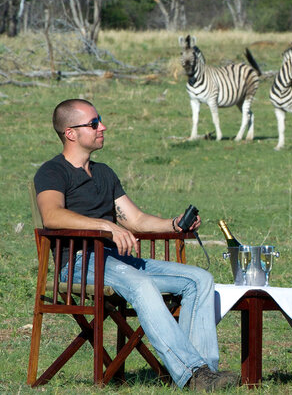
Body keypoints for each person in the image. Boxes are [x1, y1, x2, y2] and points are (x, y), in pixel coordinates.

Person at [34, 99, 238, 391]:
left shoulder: (104, 173)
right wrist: (107, 226)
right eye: (93, 123)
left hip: (116, 262)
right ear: (71, 133)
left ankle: (205, 372)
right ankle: (193, 373)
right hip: (78, 264)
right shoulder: (53, 171)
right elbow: (52, 215)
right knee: (142, 284)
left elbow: (137, 220)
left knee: (199, 279)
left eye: (99, 119)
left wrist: (174, 223)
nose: (102, 126)